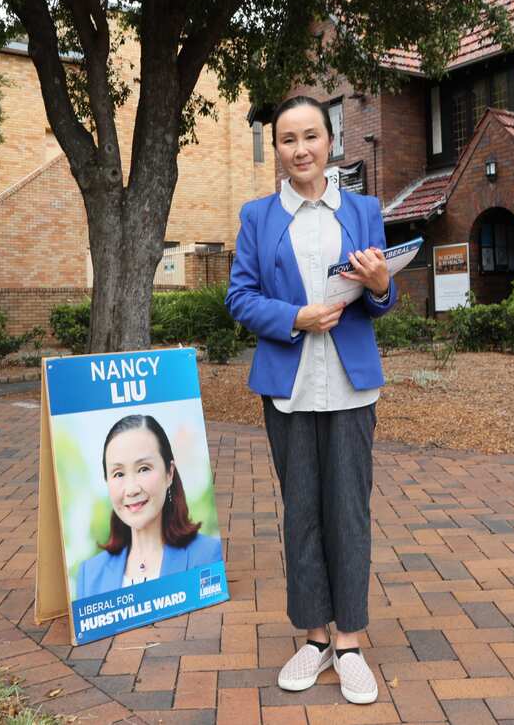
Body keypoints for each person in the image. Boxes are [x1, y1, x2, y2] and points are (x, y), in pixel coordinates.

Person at [225, 95, 396, 706]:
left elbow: (382, 294)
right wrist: (294, 315)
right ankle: (315, 637)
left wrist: (380, 285)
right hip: (288, 386)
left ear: (331, 142)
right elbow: (239, 298)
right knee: (301, 511)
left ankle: (349, 643)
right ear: (276, 149)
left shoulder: (365, 209)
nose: (300, 149)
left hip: (351, 384)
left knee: (347, 509)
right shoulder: (258, 217)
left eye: (311, 137)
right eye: (288, 139)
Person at [75, 414, 222, 600]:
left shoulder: (208, 556)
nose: (132, 489)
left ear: (169, 473)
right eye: (118, 474)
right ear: (107, 481)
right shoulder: (89, 576)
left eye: (144, 469)